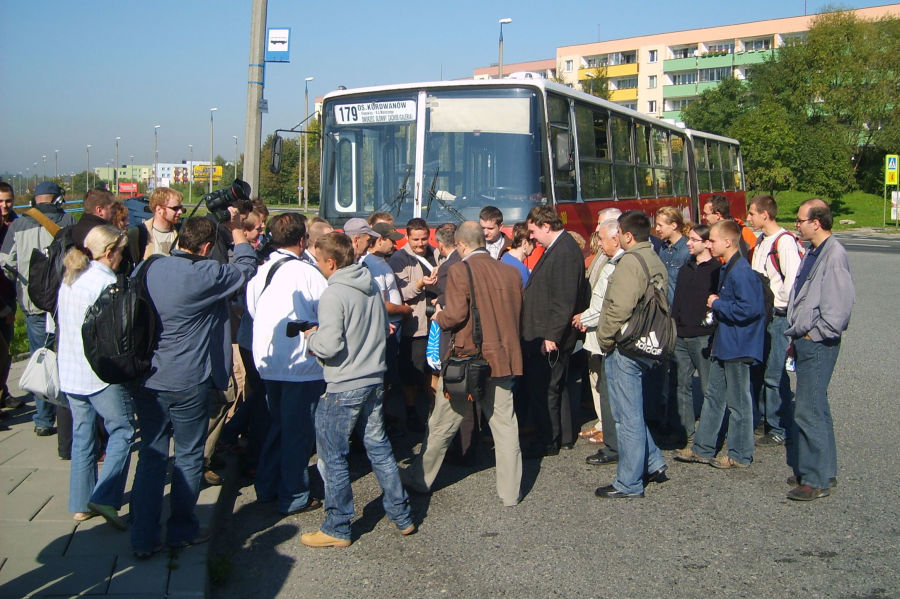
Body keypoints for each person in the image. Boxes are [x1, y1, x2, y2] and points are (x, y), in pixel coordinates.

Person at [130, 216, 256, 558]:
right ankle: (181, 531)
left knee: (151, 457)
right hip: (189, 379)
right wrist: (238, 233)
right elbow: (246, 267)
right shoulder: (206, 274)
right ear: (206, 247)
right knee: (187, 456)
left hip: (148, 377)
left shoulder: (150, 267)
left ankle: (142, 537)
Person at [301, 232, 415, 547]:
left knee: (333, 456)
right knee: (379, 447)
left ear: (331, 262)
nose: (317, 266)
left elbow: (329, 345)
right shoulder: (370, 285)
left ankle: (337, 527)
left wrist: (311, 338)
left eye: (318, 260)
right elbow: (381, 329)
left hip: (344, 384)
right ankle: (402, 514)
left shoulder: (333, 293)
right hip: (374, 378)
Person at [402, 222, 524, 506]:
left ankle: (420, 479)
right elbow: (518, 313)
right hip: (503, 358)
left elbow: (456, 315)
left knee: (442, 422)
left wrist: (439, 316)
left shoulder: (460, 270)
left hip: (467, 359)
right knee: (505, 426)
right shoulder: (510, 271)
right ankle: (510, 493)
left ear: (461, 245)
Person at [246, 213, 327, 516]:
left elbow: (253, 310)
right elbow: (326, 310)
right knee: (298, 433)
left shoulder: (263, 270)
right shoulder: (307, 273)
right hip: (301, 363)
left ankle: (267, 485)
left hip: (269, 361)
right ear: (303, 240)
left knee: (278, 426)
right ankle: (294, 494)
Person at [57, 225, 135, 528]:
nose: (122, 257)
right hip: (99, 373)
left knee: (83, 434)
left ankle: (80, 503)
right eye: (121, 251)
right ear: (109, 252)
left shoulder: (72, 277)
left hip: (71, 369)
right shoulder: (107, 283)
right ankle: (105, 496)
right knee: (123, 430)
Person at [675, 220, 766, 470]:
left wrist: (717, 303)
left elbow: (750, 310)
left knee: (738, 402)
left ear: (728, 242)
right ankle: (702, 448)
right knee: (714, 396)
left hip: (738, 345)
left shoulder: (741, 271)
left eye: (713, 241)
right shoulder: (728, 267)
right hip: (724, 343)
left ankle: (740, 454)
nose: (710, 244)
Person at [593, 211, 669, 498]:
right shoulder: (654, 258)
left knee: (626, 418)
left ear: (627, 235)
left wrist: (604, 337)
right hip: (648, 341)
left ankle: (629, 482)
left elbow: (618, 307)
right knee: (633, 411)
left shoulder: (629, 262)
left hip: (626, 344)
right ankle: (653, 462)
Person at [785, 199, 854, 501]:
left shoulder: (834, 254)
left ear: (816, 222)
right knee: (817, 407)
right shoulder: (814, 251)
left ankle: (815, 480)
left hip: (818, 343)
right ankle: (822, 469)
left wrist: (814, 334)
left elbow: (838, 307)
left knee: (808, 409)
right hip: (806, 339)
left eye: (800, 220)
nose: (796, 225)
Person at [0, 180, 76, 436]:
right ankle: (66, 415)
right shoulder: (68, 221)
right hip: (61, 302)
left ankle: (43, 419)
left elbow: (5, 262)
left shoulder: (19, 224)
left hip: (32, 303)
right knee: (64, 357)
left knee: (39, 357)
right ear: (57, 199)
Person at [521, 205, 586, 457]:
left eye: (533, 231)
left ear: (546, 226)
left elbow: (563, 301)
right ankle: (564, 435)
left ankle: (547, 440)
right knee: (556, 387)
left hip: (550, 336)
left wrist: (551, 336)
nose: (531, 237)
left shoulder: (565, 251)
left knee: (546, 389)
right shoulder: (559, 248)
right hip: (549, 332)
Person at [746, 194, 803, 447]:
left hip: (777, 316)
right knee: (760, 368)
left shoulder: (784, 242)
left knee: (774, 372)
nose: (749, 217)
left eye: (752, 213)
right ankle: (766, 418)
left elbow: (792, 283)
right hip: (762, 315)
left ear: (765, 214)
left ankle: (780, 426)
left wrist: (780, 306)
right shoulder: (761, 240)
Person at [575, 218, 624, 461]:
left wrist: (583, 317)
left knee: (608, 386)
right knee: (597, 381)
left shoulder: (621, 263)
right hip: (595, 329)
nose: (598, 242)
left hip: (606, 333)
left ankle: (611, 433)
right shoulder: (604, 258)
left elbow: (608, 303)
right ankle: (603, 423)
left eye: (601, 237)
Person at [669, 224, 720, 447]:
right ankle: (685, 431)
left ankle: (709, 436)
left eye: (693, 239)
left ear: (707, 243)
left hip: (703, 336)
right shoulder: (686, 268)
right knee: (681, 386)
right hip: (682, 335)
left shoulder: (716, 270)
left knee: (709, 388)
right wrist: (674, 327)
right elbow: (677, 300)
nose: (688, 243)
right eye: (688, 239)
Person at [390, 217, 438, 432]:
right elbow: (399, 294)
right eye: (416, 239)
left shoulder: (436, 253)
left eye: (424, 239)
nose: (420, 244)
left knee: (433, 369)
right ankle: (411, 412)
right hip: (414, 325)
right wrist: (419, 284)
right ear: (408, 238)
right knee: (412, 372)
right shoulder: (399, 259)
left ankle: (434, 412)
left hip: (434, 323)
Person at [0, 182, 21, 415]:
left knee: (5, 348)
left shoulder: (16, 224)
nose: (4, 206)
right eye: (0, 201)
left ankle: (3, 391)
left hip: (8, 292)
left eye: (8, 201)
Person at [137, 187, 184, 259]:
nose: (180, 212)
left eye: (181, 208)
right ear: (159, 209)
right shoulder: (140, 234)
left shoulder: (182, 232)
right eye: (175, 208)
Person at [500, 222, 533, 286]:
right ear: (525, 243)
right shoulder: (521, 270)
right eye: (533, 243)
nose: (535, 246)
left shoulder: (505, 257)